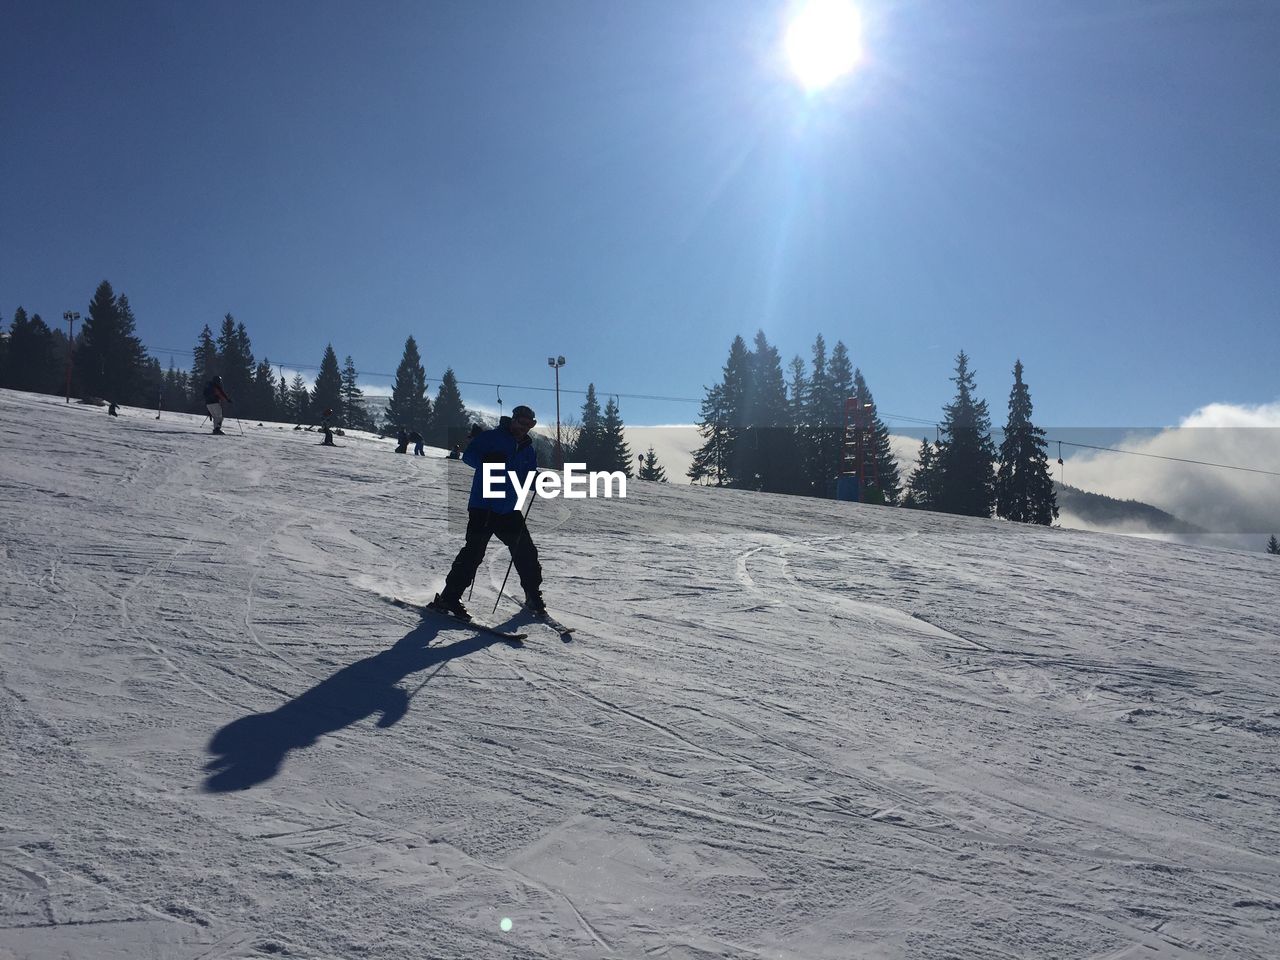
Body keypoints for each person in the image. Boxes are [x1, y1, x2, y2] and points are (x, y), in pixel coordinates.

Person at [429, 405, 546, 619]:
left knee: (526, 552)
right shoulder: (491, 437)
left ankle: (532, 595)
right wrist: (486, 460)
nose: (525, 428)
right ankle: (448, 598)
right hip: (484, 505)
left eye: (530, 424)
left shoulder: (528, 449)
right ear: (513, 420)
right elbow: (469, 456)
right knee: (474, 552)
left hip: (509, 508)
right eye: (522, 422)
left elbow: (527, 475)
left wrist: (536, 481)